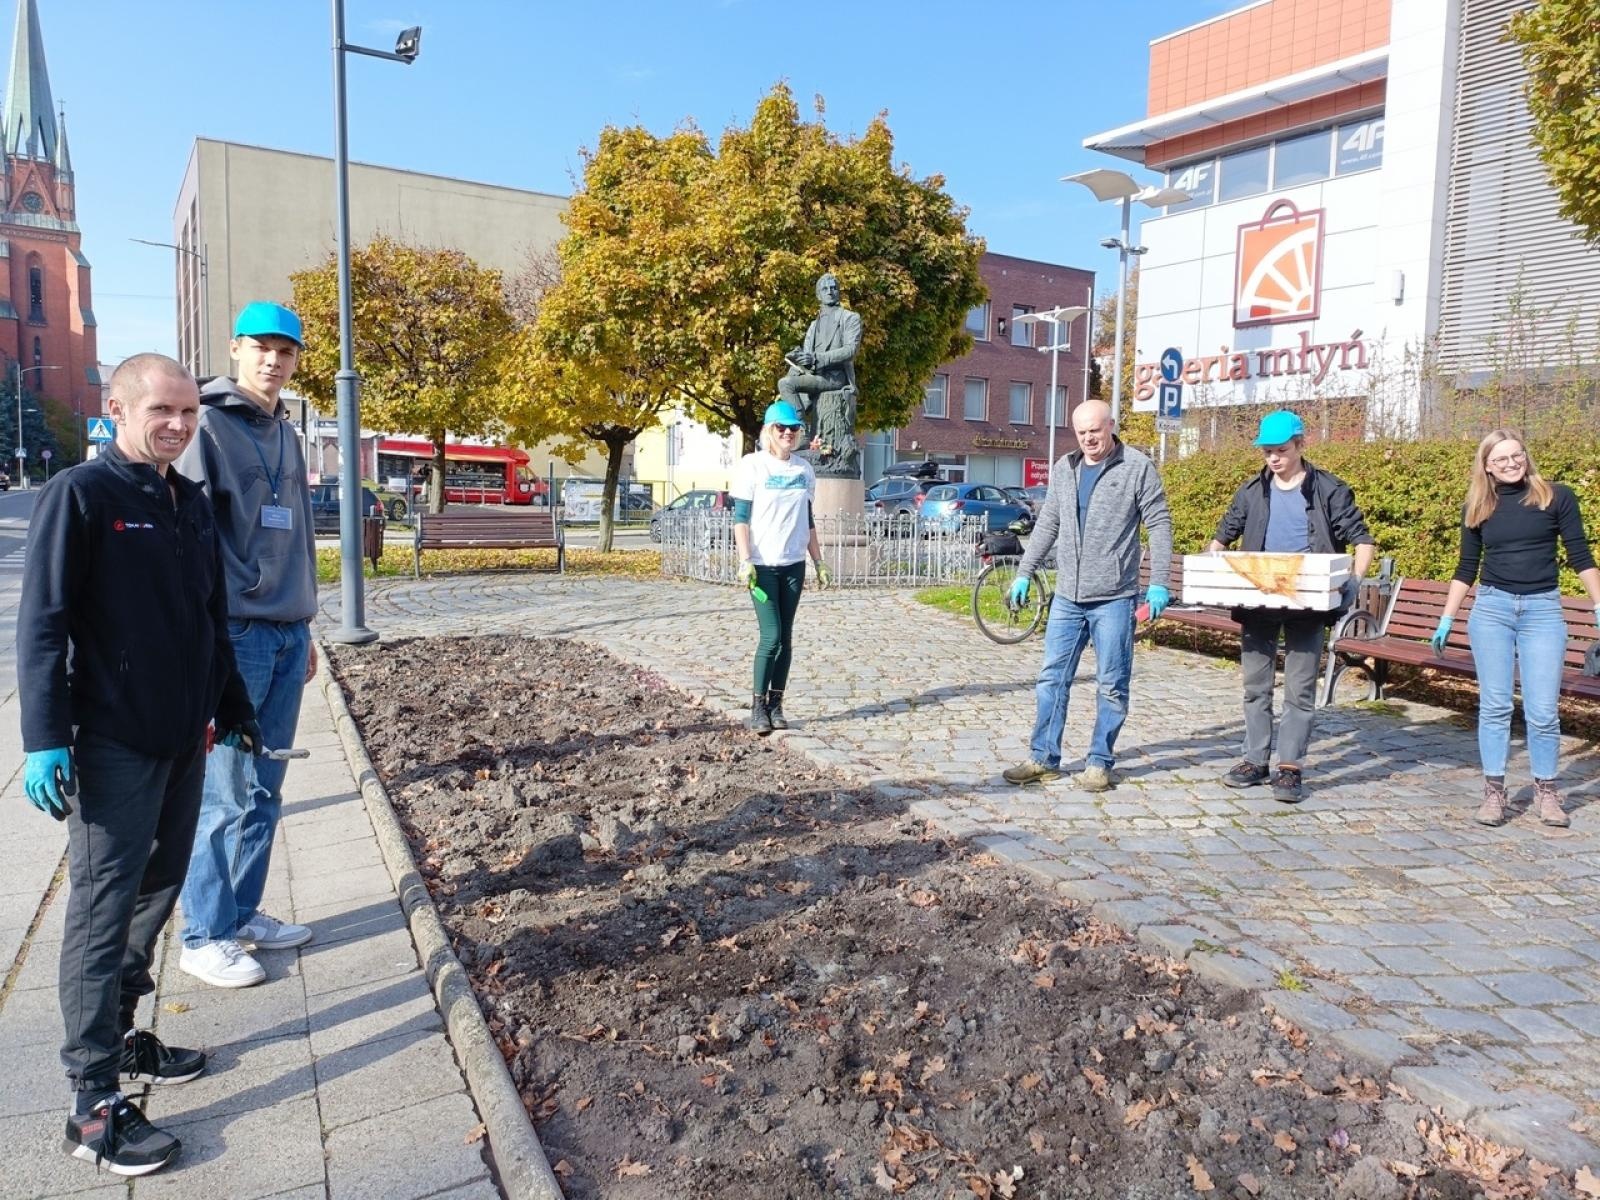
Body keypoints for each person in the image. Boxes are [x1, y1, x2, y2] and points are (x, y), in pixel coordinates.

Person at [17, 354, 258, 1176]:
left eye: (189, 414)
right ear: (117, 409)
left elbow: (209, 618)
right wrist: (43, 736)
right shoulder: (81, 496)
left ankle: (119, 1039)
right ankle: (90, 1106)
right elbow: (43, 624)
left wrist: (233, 704)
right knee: (100, 908)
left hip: (183, 738)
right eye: (162, 410)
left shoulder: (186, 500)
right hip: (114, 744)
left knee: (158, 892)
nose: (180, 426)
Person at [175, 302, 319, 988]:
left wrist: (307, 625)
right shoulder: (208, 425)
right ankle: (201, 935)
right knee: (224, 794)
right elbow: (193, 540)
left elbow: (295, 540)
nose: (272, 360)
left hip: (287, 634)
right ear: (234, 348)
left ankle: (240, 911)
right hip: (236, 635)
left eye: (285, 351)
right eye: (260, 347)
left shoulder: (286, 431)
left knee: (266, 789)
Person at [1430, 430, 1600, 827]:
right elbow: (1465, 567)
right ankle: (1494, 792)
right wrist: (1447, 617)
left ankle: (1546, 791)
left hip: (1543, 612)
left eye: (1516, 455)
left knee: (1542, 711)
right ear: (1487, 465)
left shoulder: (1556, 496)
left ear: (1526, 457)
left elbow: (1580, 554)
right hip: (1492, 611)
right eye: (1501, 459)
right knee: (1495, 706)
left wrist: (1598, 601)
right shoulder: (1477, 506)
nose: (1511, 464)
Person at [1002, 399, 1173, 791]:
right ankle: (1044, 757)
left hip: (1113, 596)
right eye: (1081, 433)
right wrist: (1025, 572)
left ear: (1111, 425)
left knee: (1111, 682)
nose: (1089, 439)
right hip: (1067, 597)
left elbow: (1159, 525)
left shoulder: (1136, 467)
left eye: (1095, 430)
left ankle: (1099, 761)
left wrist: (1159, 581)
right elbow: (1049, 522)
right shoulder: (1066, 468)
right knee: (1051, 679)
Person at [1208, 411, 1376, 803]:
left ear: (1301, 444)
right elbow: (1221, 538)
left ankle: (1290, 766)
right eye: (1268, 452)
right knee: (1255, 687)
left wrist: (1352, 582)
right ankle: (1254, 759)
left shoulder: (1330, 490)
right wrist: (1211, 568)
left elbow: (1362, 541)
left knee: (1300, 689)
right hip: (1258, 601)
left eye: (1281, 450)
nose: (1274, 459)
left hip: (1308, 604)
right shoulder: (1251, 491)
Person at [731, 400, 833, 734]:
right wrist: (745, 560)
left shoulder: (804, 469)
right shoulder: (753, 466)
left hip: (793, 564)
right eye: (781, 428)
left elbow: (808, 518)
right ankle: (757, 706)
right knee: (771, 636)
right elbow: (741, 519)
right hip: (761, 566)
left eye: (793, 428)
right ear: (768, 432)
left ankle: (777, 705)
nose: (788, 433)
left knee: (786, 638)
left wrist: (818, 561)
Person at [777, 273, 863, 469]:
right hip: (815, 375)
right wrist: (799, 357)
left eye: (833, 288)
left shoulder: (850, 318)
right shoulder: (814, 325)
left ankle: (801, 430)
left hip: (835, 378)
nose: (830, 292)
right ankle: (799, 430)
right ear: (818, 295)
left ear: (839, 292)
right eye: (824, 289)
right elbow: (808, 354)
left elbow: (851, 350)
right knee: (788, 380)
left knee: (786, 383)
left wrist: (817, 359)